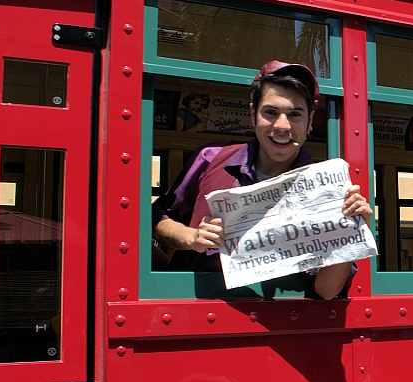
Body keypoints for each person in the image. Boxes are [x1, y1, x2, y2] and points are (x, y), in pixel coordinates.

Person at [152, 60, 372, 300]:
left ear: (309, 122)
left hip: (282, 326)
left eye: (295, 114)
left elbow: (327, 291)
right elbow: (158, 221)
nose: (281, 126)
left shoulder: (328, 189)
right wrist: (192, 238)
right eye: (270, 112)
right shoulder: (211, 159)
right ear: (252, 115)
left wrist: (350, 230)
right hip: (199, 317)